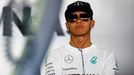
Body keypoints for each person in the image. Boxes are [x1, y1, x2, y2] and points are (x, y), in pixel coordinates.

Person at [42, 1, 119, 75]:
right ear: (67, 26)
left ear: (92, 23)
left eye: (84, 17)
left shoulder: (107, 56)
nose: (78, 21)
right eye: (73, 18)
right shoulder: (54, 55)